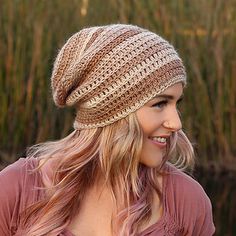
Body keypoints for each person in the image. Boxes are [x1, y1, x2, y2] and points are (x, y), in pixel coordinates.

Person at [0, 24, 215, 236]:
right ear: (111, 112)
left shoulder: (187, 202)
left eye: (177, 103)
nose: (176, 123)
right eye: (160, 104)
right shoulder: (14, 190)